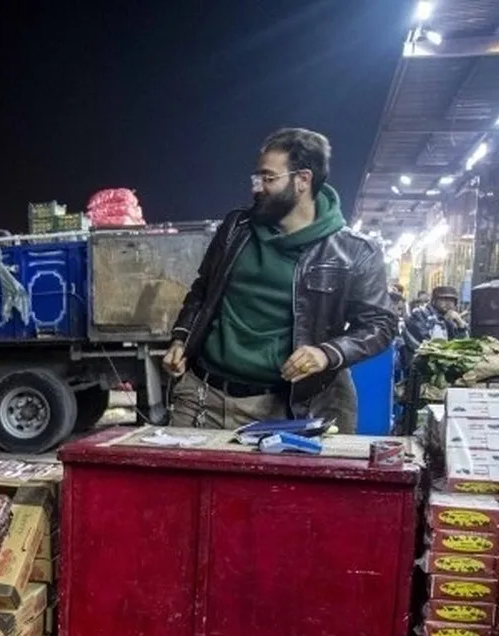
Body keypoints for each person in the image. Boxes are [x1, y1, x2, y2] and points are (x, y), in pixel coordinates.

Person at [162, 128, 396, 432]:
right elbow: (202, 291)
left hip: (288, 411)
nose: (257, 188)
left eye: (268, 178)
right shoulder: (236, 229)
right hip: (201, 397)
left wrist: (327, 353)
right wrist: (181, 339)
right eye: (256, 179)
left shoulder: (354, 252)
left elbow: (380, 324)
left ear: (303, 180)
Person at [402, 284, 468, 359]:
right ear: (434, 300)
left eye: (452, 300)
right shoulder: (420, 314)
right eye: (444, 299)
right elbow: (423, 345)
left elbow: (462, 347)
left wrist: (460, 324)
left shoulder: (451, 320)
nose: (448, 303)